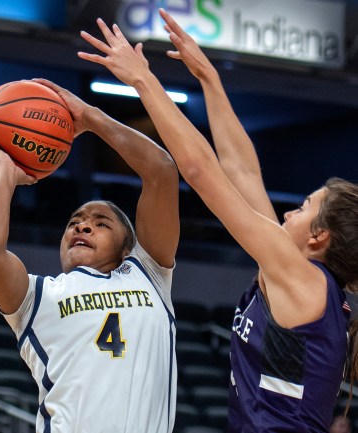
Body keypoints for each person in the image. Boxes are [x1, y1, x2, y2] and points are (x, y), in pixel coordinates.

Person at [77, 8, 358, 433]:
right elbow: (241, 172)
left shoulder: (304, 282)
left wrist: (143, 81)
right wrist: (209, 78)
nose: (287, 212)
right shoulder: (293, 277)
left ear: (319, 237)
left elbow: (201, 172)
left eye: (302, 207)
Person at [0, 78, 180, 432]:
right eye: (74, 222)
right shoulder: (38, 297)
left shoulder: (149, 274)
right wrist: (4, 172)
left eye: (100, 223)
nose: (82, 227)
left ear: (128, 247)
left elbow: (161, 170)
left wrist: (91, 117)